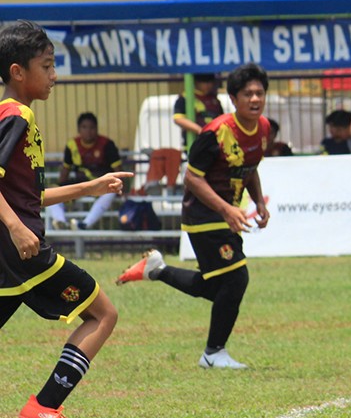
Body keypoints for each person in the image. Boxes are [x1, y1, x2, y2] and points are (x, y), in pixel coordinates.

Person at [0, 20, 132, 418]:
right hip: (24, 254)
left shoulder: (17, 115)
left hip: (14, 257)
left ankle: (46, 406)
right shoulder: (16, 114)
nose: (54, 75)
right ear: (18, 72)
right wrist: (18, 227)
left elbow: (30, 195)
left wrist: (90, 188)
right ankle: (45, 406)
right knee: (103, 314)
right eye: (48, 65)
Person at [116, 63, 271, 370]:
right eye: (247, 94)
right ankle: (213, 353)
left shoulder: (263, 128)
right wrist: (226, 208)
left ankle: (156, 270)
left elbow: (249, 168)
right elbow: (193, 179)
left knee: (215, 286)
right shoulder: (215, 133)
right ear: (233, 98)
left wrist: (258, 202)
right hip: (204, 215)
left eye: (260, 93)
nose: (255, 99)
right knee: (236, 277)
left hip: (227, 214)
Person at [46, 112, 124, 230]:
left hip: (100, 183)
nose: (88, 131)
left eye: (92, 127)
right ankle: (60, 222)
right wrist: (62, 190)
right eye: (84, 127)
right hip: (80, 183)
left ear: (96, 129)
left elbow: (118, 171)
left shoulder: (107, 144)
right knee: (51, 191)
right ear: (79, 129)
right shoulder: (72, 145)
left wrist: (121, 188)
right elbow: (65, 170)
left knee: (111, 191)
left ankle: (84, 225)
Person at [173, 73, 223, 146]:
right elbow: (178, 119)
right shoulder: (185, 98)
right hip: (195, 143)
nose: (208, 85)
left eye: (210, 82)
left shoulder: (214, 99)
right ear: (196, 82)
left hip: (214, 141)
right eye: (205, 82)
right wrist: (199, 130)